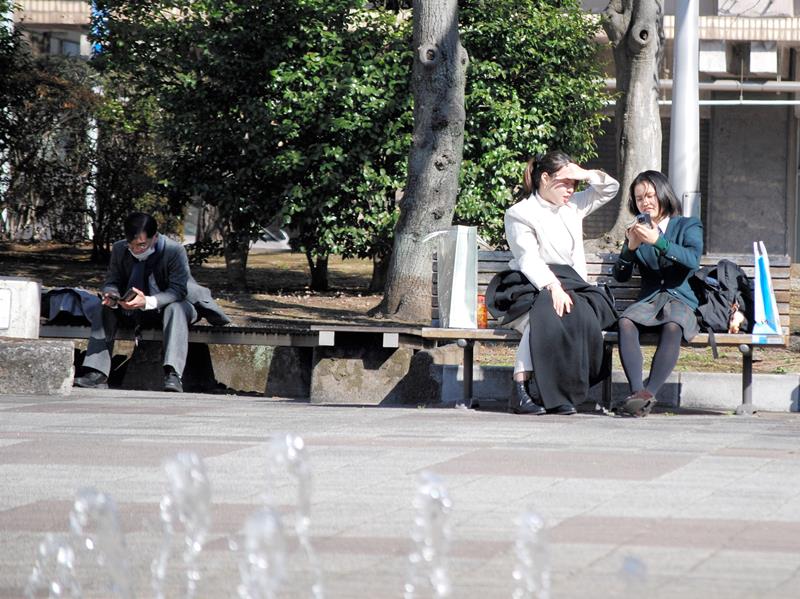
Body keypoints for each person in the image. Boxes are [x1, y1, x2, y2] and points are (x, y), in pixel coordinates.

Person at [487, 150, 620, 415]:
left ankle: (562, 395)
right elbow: (528, 259)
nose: (570, 189)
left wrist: (582, 173)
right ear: (544, 178)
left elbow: (611, 189)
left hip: (572, 285)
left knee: (577, 315)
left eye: (574, 184)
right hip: (528, 284)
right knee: (544, 315)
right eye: (565, 182)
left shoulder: (573, 206)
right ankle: (521, 390)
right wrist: (552, 286)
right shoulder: (520, 213)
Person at [73, 212, 230, 392]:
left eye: (141, 245)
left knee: (175, 309)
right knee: (104, 309)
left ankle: (173, 374)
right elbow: (112, 280)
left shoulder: (174, 250)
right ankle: (96, 373)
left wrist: (147, 301)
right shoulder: (119, 249)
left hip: (175, 304)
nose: (136, 249)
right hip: (133, 307)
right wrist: (112, 295)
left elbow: (178, 290)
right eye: (131, 245)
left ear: (154, 237)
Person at [612, 170, 703, 417]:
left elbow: (692, 260)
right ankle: (638, 392)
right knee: (626, 321)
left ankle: (646, 395)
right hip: (650, 300)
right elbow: (620, 276)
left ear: (663, 194)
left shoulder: (687, 225)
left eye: (650, 195)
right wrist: (630, 249)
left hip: (680, 298)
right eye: (640, 198)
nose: (646, 202)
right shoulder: (637, 230)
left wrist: (659, 242)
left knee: (673, 325)